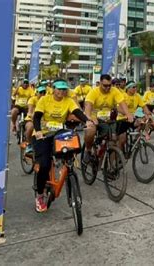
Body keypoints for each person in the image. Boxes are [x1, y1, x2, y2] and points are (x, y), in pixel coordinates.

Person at [32, 79, 91, 212]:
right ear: (53, 89)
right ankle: (40, 195)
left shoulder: (68, 100)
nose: (62, 91)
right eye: (59, 89)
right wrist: (39, 131)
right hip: (44, 134)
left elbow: (78, 112)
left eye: (64, 89)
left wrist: (87, 121)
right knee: (45, 165)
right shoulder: (44, 100)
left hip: (59, 133)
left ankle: (66, 170)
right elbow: (36, 117)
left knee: (72, 147)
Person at [82, 74, 133, 163]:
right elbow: (88, 108)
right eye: (105, 85)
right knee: (90, 131)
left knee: (113, 140)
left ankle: (110, 167)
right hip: (95, 118)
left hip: (109, 119)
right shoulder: (93, 92)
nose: (108, 88)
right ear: (100, 83)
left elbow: (122, 103)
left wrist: (129, 114)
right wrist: (90, 118)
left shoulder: (114, 91)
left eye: (109, 85)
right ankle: (88, 150)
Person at [116, 81, 152, 151]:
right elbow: (118, 109)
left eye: (136, 87)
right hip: (122, 119)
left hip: (132, 119)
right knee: (122, 140)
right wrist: (128, 114)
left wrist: (148, 113)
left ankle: (136, 140)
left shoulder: (137, 96)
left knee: (143, 121)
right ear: (128, 88)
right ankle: (120, 154)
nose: (135, 89)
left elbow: (144, 106)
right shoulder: (122, 96)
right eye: (133, 87)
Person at [24, 85, 47, 154]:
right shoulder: (32, 99)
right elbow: (30, 111)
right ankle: (29, 144)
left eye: (44, 92)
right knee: (30, 127)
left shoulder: (47, 100)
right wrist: (33, 115)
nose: (42, 94)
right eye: (40, 92)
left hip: (44, 120)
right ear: (36, 93)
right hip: (31, 119)